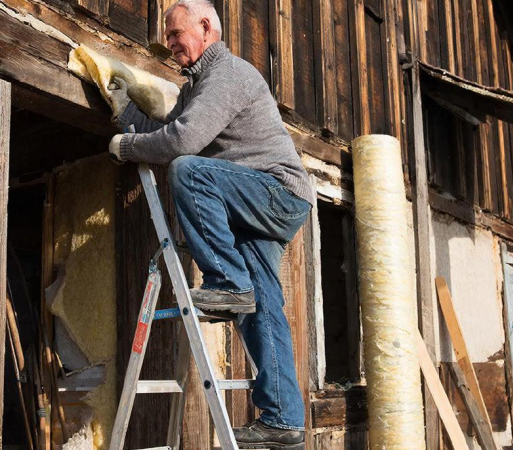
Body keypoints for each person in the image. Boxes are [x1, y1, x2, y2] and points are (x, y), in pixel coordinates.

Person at [101, 1, 313, 448]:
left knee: (188, 169)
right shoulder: (198, 87)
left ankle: (227, 282)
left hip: (276, 191)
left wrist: (126, 147)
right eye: (168, 37)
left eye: (176, 33)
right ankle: (283, 420)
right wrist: (125, 111)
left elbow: (182, 141)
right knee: (262, 306)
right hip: (256, 200)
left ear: (206, 27)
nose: (170, 44)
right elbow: (172, 125)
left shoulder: (228, 74)